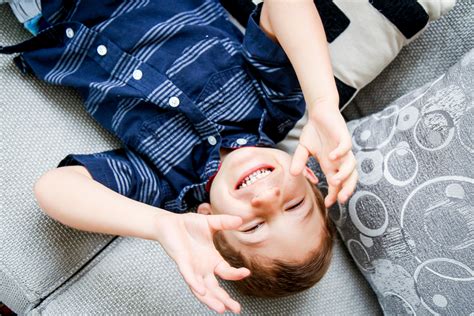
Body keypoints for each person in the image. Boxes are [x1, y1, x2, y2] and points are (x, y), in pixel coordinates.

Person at [1, 0, 357, 313]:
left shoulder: (166, 185)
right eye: (294, 206)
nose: (266, 199)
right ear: (309, 176)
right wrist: (323, 102)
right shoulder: (276, 104)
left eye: (252, 226)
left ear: (208, 219)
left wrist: (159, 225)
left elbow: (54, 188)